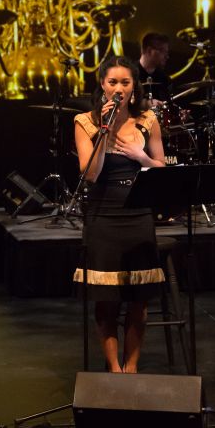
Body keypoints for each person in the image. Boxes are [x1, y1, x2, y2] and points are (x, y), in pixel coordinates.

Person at [74, 55, 166, 373]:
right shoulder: (85, 122)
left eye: (125, 82)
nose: (119, 88)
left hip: (139, 215)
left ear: (134, 87)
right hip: (104, 217)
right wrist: (105, 129)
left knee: (138, 301)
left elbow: (162, 171)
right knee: (107, 300)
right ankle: (114, 369)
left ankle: (132, 367)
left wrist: (141, 157)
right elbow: (91, 174)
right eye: (112, 82)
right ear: (102, 85)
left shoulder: (147, 121)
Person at [137, 32, 172, 104]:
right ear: (149, 51)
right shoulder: (129, 74)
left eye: (167, 52)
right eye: (163, 51)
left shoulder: (164, 79)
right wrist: (145, 104)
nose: (167, 56)